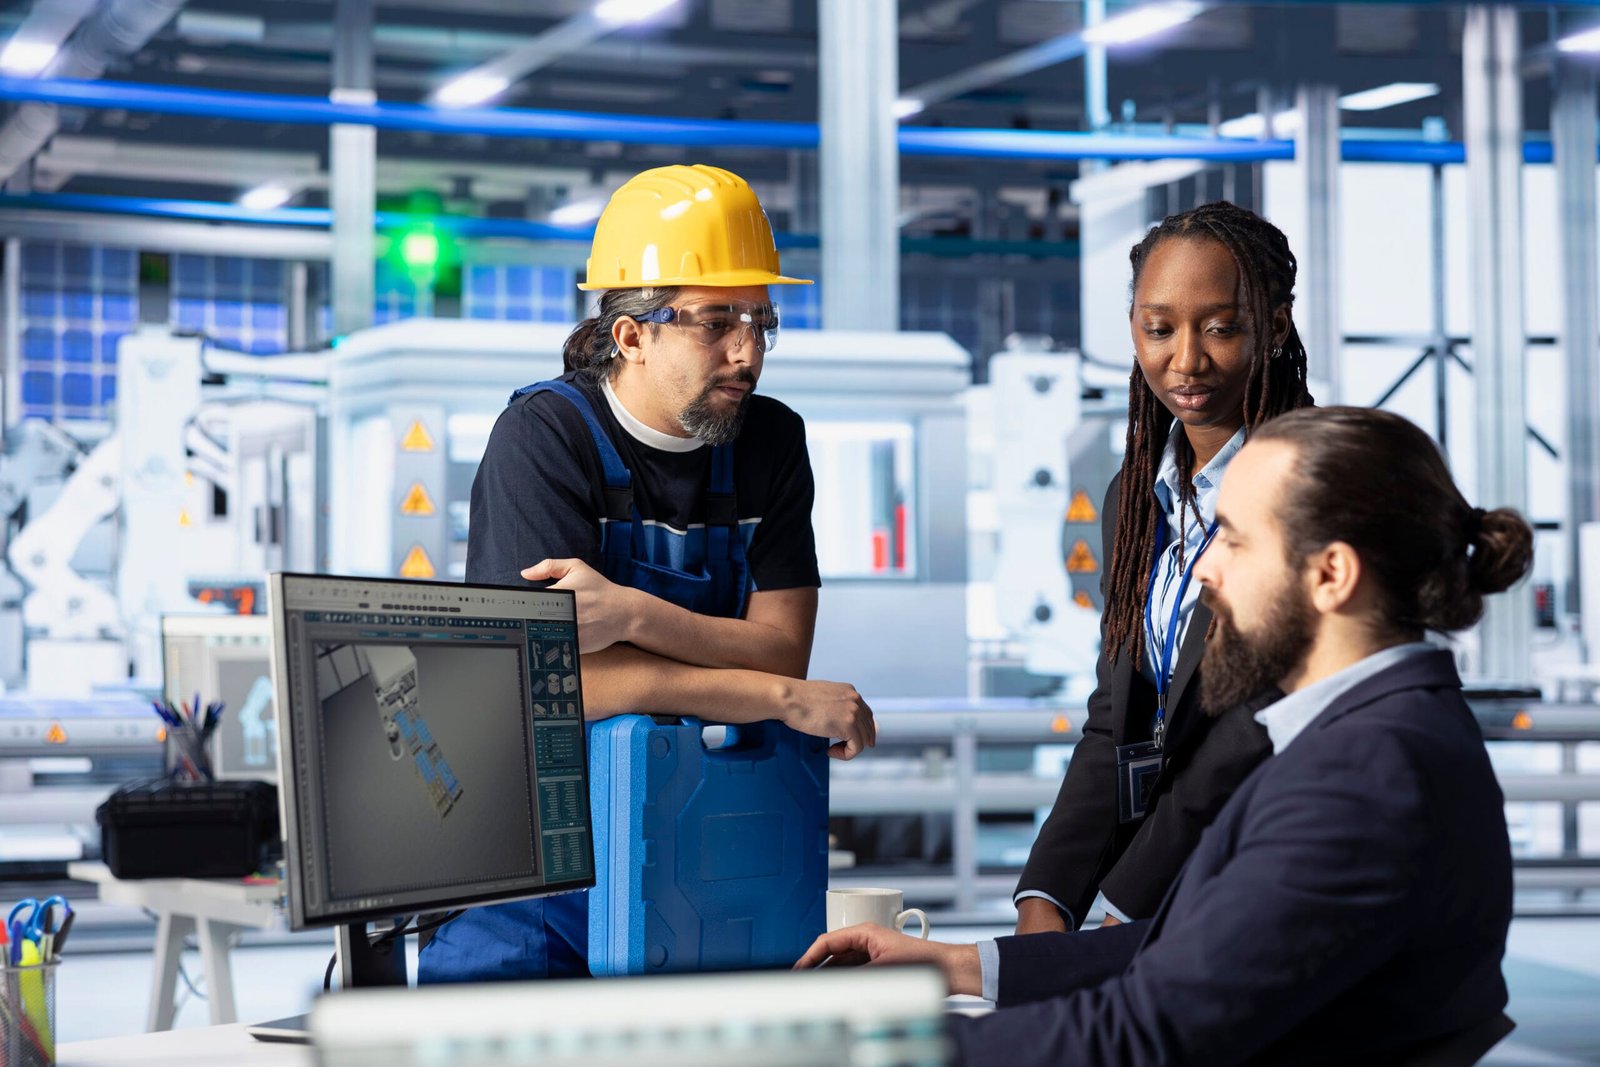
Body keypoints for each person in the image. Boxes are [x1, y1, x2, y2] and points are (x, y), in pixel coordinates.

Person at [799, 406, 1532, 1066]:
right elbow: (1197, 952)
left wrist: (829, 1049)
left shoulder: (1363, 777)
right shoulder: (1374, 735)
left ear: (1331, 574)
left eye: (1234, 539)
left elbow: (1142, 1034)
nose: (1205, 568)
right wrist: (954, 965)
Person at [420, 163, 876, 982]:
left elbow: (783, 650)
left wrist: (632, 615)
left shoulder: (772, 443)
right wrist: (775, 698)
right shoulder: (543, 439)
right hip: (529, 882)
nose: (747, 351)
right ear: (631, 335)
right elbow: (557, 689)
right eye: (716, 322)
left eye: (761, 321)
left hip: (693, 861)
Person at [1016, 201, 1315, 935]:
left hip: (1272, 873)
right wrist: (1047, 897)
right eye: (1159, 329)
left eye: (1221, 328)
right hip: (1166, 887)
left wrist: (1125, 903)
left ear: (1275, 326)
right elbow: (1117, 716)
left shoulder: (1310, 489)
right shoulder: (1134, 499)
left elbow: (1255, 726)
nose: (1186, 360)